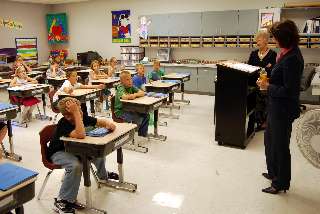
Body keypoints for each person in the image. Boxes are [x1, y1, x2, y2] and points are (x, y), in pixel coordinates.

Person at [257, 20, 304, 194]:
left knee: (280, 146)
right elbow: (281, 80)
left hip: (283, 110)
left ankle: (280, 183)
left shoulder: (293, 58)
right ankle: (273, 172)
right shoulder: (285, 53)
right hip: (275, 106)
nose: (274, 41)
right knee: (270, 141)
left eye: (276, 38)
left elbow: (289, 90)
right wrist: (267, 81)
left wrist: (268, 87)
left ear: (284, 38)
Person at [47, 97, 117, 214]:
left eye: (80, 110)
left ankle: (103, 177)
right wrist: (76, 113)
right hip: (58, 153)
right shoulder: (63, 123)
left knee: (97, 153)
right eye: (77, 111)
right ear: (68, 116)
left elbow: (99, 122)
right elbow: (80, 135)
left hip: (74, 149)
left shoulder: (81, 116)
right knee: (76, 165)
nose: (81, 113)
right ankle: (63, 200)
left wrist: (108, 124)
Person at [248, 31, 277, 131]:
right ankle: (256, 119)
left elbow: (272, 70)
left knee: (264, 99)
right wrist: (264, 68)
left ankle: (264, 122)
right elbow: (249, 68)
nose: (257, 42)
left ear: (265, 40)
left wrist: (262, 70)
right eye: (256, 40)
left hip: (266, 83)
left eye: (259, 40)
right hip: (254, 82)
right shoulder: (253, 54)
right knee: (252, 98)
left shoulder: (273, 54)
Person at [114, 71, 149, 137]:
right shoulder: (120, 88)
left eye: (131, 79)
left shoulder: (131, 86)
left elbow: (142, 93)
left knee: (146, 115)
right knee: (138, 118)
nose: (130, 81)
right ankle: (133, 136)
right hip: (121, 111)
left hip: (130, 109)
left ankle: (142, 135)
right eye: (127, 80)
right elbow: (124, 97)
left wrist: (134, 95)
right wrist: (132, 96)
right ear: (121, 81)